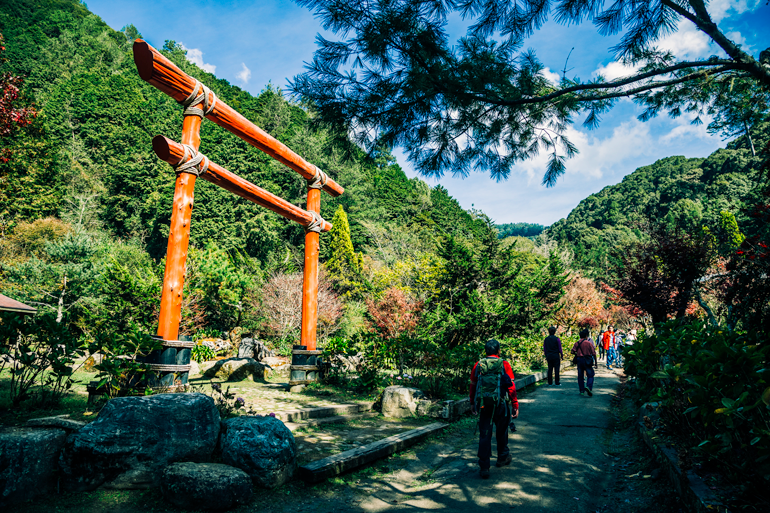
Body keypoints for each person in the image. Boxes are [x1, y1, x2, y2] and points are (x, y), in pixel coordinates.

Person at [469, 339, 519, 479]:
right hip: (501, 404)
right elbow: (511, 386)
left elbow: (473, 385)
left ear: (486, 351)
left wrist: (473, 403)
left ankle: (484, 467)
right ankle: (502, 457)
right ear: (498, 351)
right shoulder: (504, 364)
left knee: (485, 433)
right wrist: (515, 404)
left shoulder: (478, 365)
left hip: (484, 405)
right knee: (502, 431)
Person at [571, 329, 598, 396]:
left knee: (580, 376)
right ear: (586, 336)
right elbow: (594, 353)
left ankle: (582, 390)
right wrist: (596, 363)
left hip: (579, 360)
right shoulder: (589, 343)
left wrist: (577, 353)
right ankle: (589, 387)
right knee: (590, 374)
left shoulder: (577, 343)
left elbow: (572, 351)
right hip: (587, 360)